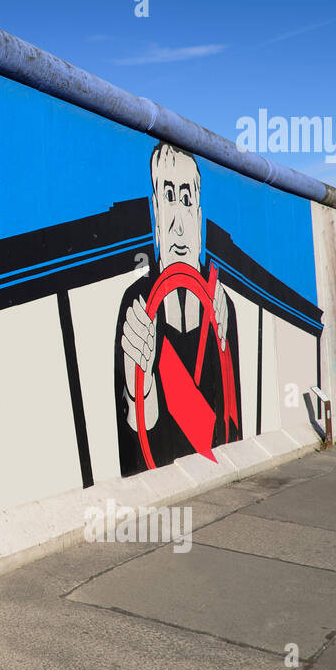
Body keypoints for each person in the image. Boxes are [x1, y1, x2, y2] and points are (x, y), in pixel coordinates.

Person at [114, 143, 241, 475]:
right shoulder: (137, 305)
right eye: (168, 198)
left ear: (199, 215)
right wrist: (138, 386)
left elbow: (232, 424)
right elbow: (134, 446)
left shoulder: (220, 304)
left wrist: (223, 345)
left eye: (187, 200)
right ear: (155, 211)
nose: (178, 226)